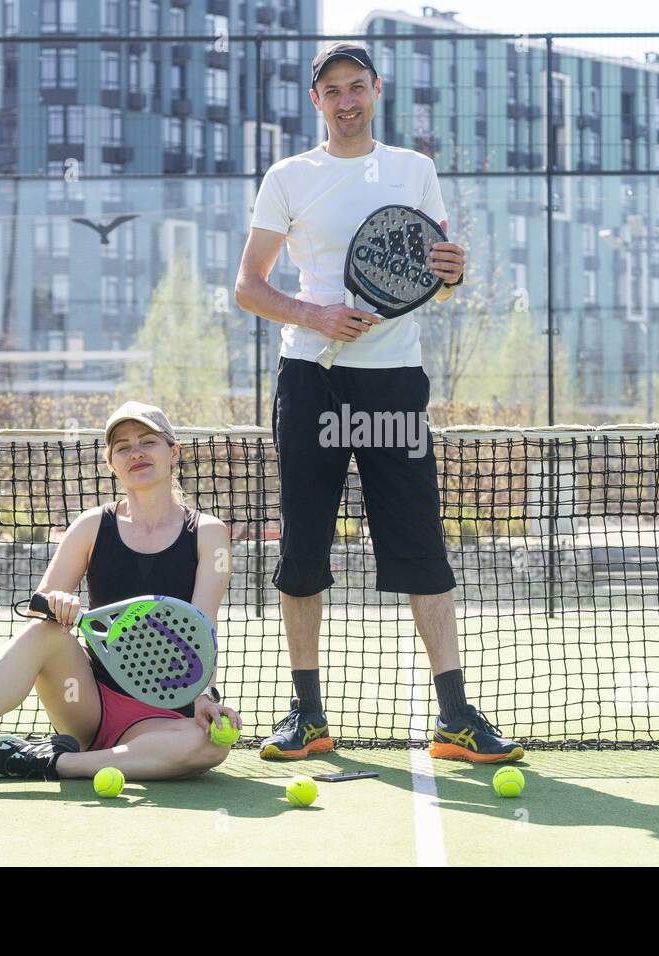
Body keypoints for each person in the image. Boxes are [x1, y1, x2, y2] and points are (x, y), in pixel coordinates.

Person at [234, 42, 523, 763]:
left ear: (376, 90)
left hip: (395, 384)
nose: (345, 99)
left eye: (356, 86)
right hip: (311, 381)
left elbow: (436, 276)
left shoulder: (413, 170)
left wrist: (455, 275)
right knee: (302, 554)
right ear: (316, 101)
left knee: (422, 549)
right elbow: (249, 285)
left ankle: (455, 719)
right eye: (331, 90)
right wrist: (314, 317)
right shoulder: (287, 177)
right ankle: (308, 717)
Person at [0, 402, 241, 797]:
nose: (136, 453)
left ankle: (48, 762)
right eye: (122, 447)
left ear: (172, 452)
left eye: (148, 442)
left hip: (165, 716)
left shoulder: (208, 532)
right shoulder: (91, 525)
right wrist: (58, 604)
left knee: (208, 745)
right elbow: (43, 601)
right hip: (87, 703)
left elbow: (202, 629)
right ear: (111, 463)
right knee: (43, 633)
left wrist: (204, 695)